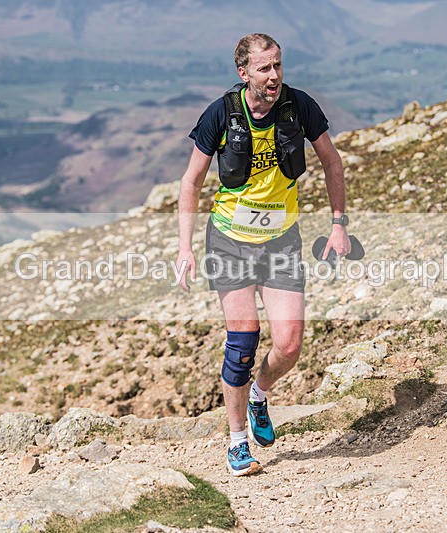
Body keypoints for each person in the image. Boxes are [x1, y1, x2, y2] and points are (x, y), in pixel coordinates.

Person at [175, 33, 350, 476]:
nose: (274, 75)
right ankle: (236, 444)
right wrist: (185, 247)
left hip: (281, 241)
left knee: (289, 344)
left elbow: (332, 161)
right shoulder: (222, 113)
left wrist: (338, 224)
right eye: (264, 68)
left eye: (278, 65)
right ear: (244, 73)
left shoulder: (300, 106)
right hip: (230, 241)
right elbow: (191, 181)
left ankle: (259, 394)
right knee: (243, 341)